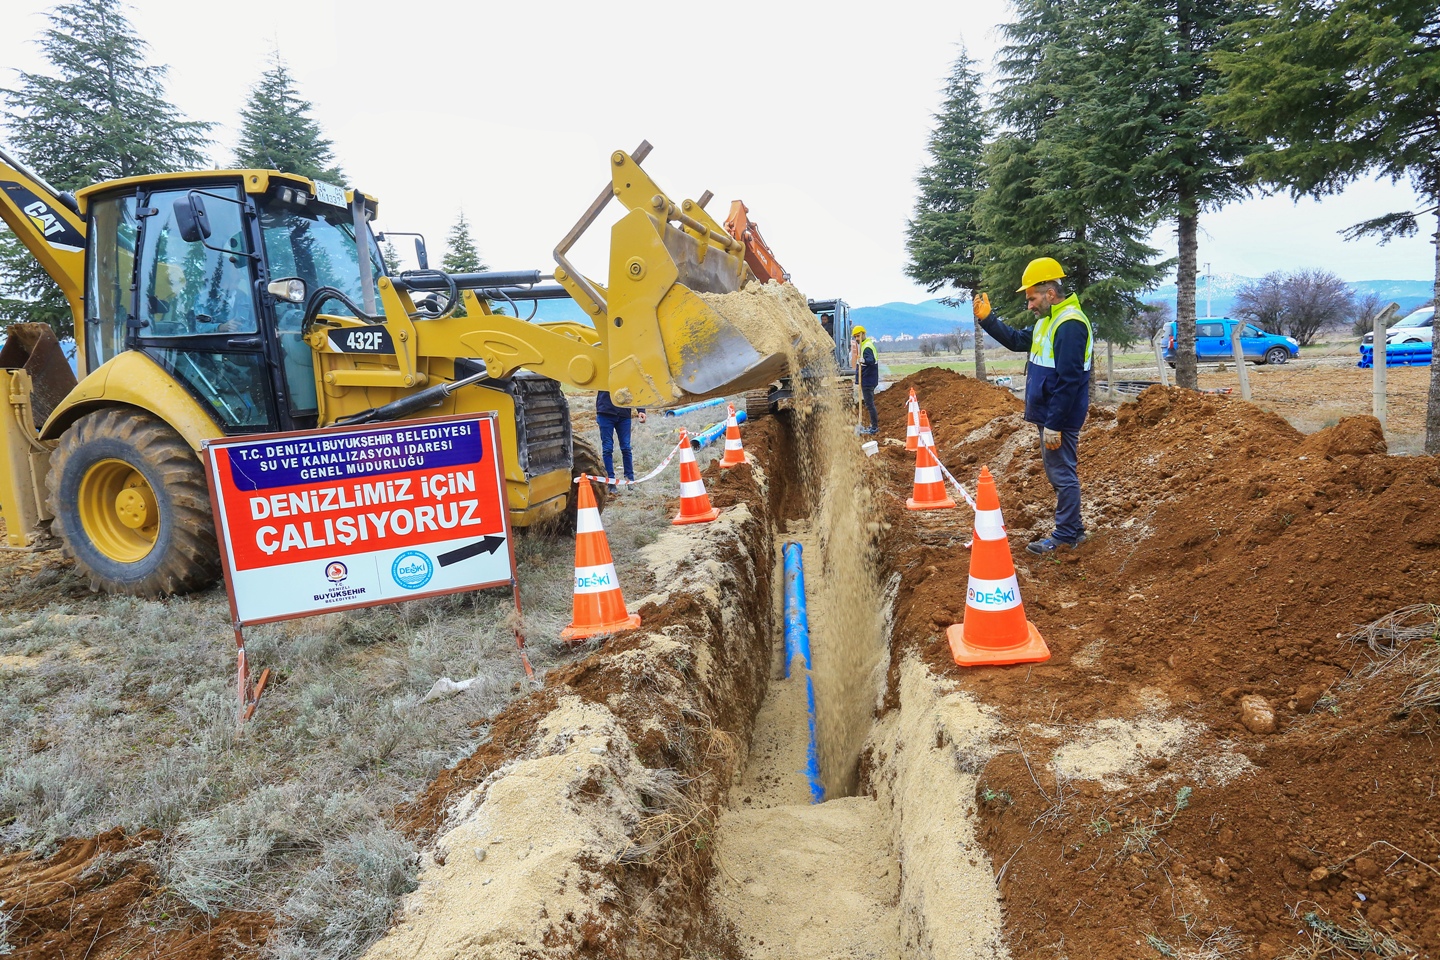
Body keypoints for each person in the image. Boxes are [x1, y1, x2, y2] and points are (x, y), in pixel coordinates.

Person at [972, 257, 1093, 554]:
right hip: (1050, 415)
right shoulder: (1047, 323)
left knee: (1062, 474)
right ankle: (1073, 528)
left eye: (1032, 297)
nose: (1030, 304)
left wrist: (1054, 424)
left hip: (1059, 418)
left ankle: (1066, 535)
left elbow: (1068, 380)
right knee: (1059, 472)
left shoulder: (1070, 324)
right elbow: (1016, 341)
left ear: (1050, 293)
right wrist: (988, 320)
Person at [595, 391, 646, 491]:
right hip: (605, 412)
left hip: (624, 414)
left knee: (626, 448)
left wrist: (641, 410)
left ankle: (630, 480)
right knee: (607, 448)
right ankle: (611, 482)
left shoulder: (627, 375)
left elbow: (634, 387)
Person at [853, 325, 879, 435]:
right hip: (867, 380)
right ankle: (873, 426)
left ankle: (874, 427)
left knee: (869, 404)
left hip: (868, 380)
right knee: (869, 404)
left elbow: (871, 361)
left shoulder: (867, 347)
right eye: (855, 337)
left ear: (863, 334)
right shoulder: (864, 346)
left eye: (858, 336)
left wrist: (861, 359)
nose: (857, 339)